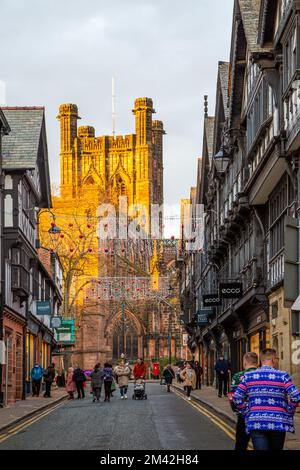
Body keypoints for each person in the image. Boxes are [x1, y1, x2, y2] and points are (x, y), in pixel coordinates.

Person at [233, 348, 300, 451]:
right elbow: (295, 396)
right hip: (278, 422)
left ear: (261, 361)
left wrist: (247, 412)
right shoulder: (283, 376)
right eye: (277, 358)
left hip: (256, 422)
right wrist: (289, 412)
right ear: (273, 360)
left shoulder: (249, 376)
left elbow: (237, 397)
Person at [230, 352, 258, 451]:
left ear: (245, 362)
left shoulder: (238, 376)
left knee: (241, 445)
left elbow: (232, 397)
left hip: (244, 416)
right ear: (257, 362)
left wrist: (237, 412)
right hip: (261, 415)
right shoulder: (263, 375)